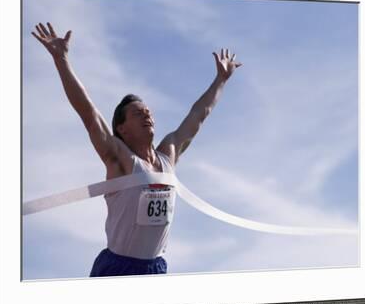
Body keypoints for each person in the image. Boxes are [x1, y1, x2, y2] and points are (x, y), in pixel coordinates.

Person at [31, 22, 242, 277]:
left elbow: (199, 114)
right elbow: (88, 114)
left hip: (155, 267)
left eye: (149, 112)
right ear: (122, 128)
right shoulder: (119, 159)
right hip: (116, 267)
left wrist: (221, 79)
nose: (148, 116)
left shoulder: (168, 156)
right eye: (138, 113)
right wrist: (61, 60)